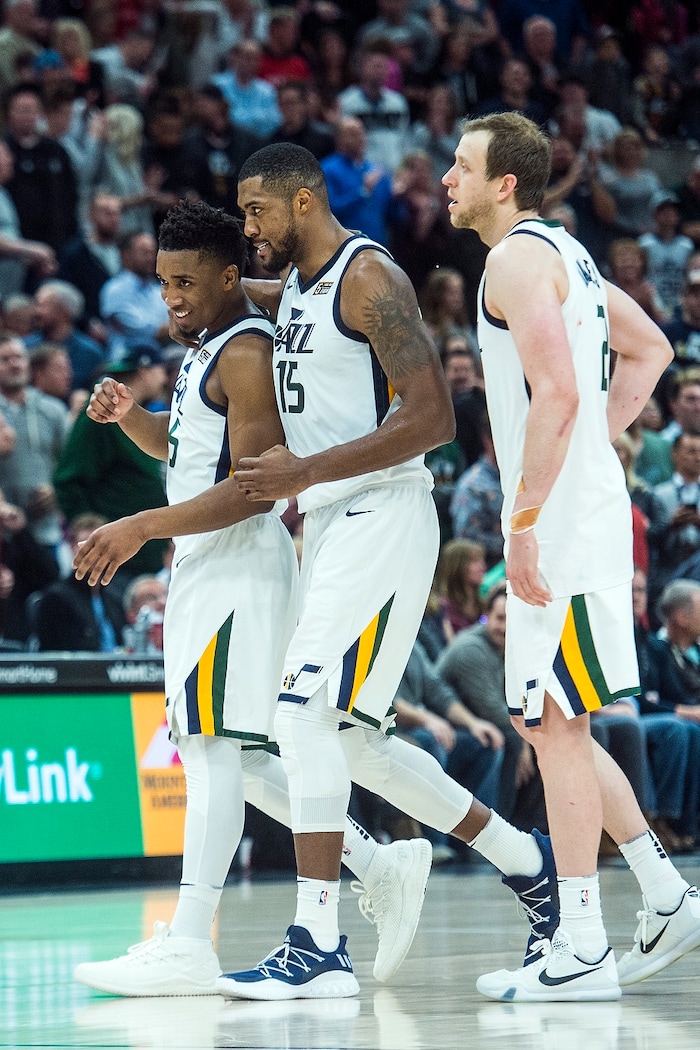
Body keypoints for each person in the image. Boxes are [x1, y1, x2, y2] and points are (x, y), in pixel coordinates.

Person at [216, 142, 561, 1001]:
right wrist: (195, 285)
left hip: (382, 511)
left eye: (256, 210)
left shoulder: (370, 278)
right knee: (348, 742)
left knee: (298, 718)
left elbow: (435, 415)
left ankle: (319, 942)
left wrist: (305, 471)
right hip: (332, 520)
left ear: (302, 202)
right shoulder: (294, 283)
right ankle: (529, 864)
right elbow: (241, 292)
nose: (247, 227)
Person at [70, 199, 436, 997]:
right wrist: (137, 419)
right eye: (162, 282)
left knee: (210, 753)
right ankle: (376, 862)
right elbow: (194, 451)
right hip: (207, 565)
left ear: (230, 276)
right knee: (240, 754)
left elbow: (252, 490)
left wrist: (139, 526)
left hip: (235, 562)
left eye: (185, 282)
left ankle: (188, 940)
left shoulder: (244, 349)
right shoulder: (208, 347)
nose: (170, 297)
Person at [443, 110, 700, 1002]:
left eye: (461, 165)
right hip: (575, 506)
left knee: (555, 723)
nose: (446, 178)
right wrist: (593, 445)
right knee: (548, 718)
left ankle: (583, 945)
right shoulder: (569, 251)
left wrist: (522, 520)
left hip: (558, 522)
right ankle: (664, 894)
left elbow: (554, 391)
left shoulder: (515, 258)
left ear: (503, 182)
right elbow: (654, 348)